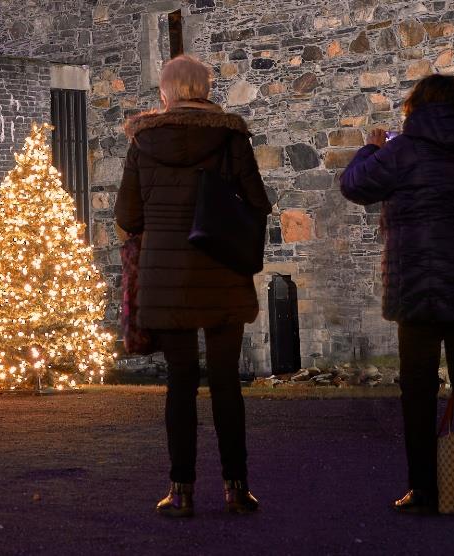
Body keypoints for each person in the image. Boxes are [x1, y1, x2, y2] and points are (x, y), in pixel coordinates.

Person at [338, 74, 454, 517]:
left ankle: (423, 489)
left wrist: (372, 148)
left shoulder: (403, 150)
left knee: (417, 389)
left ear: (415, 106)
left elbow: (354, 185)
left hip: (419, 283)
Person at [116, 55, 271, 518]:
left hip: (167, 281)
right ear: (204, 89)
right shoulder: (230, 137)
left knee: (180, 384)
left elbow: (127, 217)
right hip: (222, 272)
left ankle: (181, 490)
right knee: (226, 383)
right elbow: (259, 202)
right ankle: (236, 487)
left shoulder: (142, 142)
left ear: (165, 93)